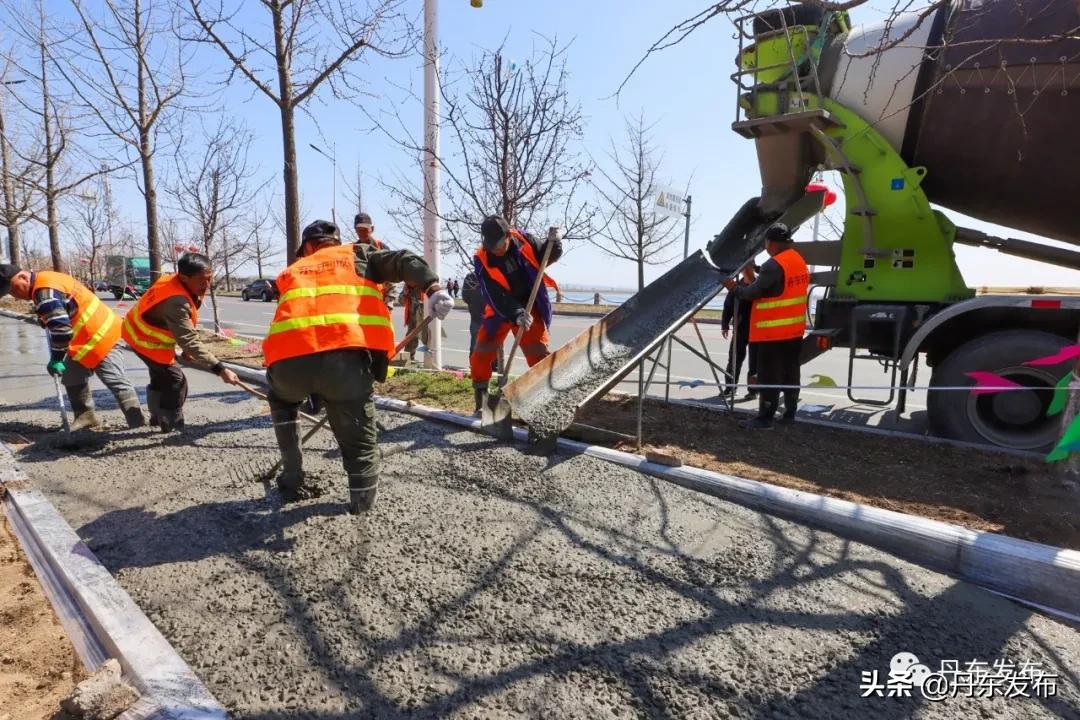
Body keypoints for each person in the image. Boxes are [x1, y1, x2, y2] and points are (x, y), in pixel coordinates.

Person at [262, 220, 453, 514]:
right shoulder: (358, 254)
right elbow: (404, 260)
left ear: (308, 247)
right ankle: (361, 502)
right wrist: (433, 286)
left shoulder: (291, 271)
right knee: (359, 438)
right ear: (335, 243)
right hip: (344, 362)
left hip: (287, 363)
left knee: (282, 403)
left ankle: (291, 478)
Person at [0, 264, 145, 430]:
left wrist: (56, 359)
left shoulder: (44, 292)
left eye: (13, 289)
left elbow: (61, 330)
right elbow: (66, 308)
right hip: (85, 339)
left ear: (24, 277)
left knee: (114, 379)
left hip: (103, 335)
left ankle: (137, 422)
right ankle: (85, 417)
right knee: (72, 376)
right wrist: (47, 317)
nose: (15, 296)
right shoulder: (45, 279)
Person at [121, 253, 240, 432]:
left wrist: (187, 348)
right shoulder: (176, 300)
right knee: (175, 380)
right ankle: (171, 424)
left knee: (160, 377)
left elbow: (184, 327)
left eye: (209, 279)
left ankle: (157, 417)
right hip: (143, 339)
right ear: (184, 277)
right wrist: (220, 369)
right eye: (202, 280)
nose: (207, 285)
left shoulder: (181, 284)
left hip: (141, 331)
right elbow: (189, 338)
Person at [470, 215, 562, 414]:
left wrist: (554, 246)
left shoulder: (524, 240)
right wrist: (516, 313)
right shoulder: (481, 258)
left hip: (530, 304)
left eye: (498, 244)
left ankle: (545, 403)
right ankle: (483, 403)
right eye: (490, 244)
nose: (494, 249)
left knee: (538, 353)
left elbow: (544, 256)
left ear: (508, 235)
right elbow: (493, 293)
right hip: (500, 308)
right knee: (481, 354)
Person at [722, 223, 809, 429]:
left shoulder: (774, 264)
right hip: (794, 331)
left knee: (769, 376)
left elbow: (750, 293)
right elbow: (776, 284)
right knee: (790, 372)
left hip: (772, 332)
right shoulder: (798, 261)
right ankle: (789, 414)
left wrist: (732, 287)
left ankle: (765, 418)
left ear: (770, 243)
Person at [721, 264, 759, 403]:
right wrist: (725, 325)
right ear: (742, 269)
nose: (747, 270)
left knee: (754, 363)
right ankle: (730, 387)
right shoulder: (735, 286)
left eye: (749, 267)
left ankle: (753, 391)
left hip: (757, 329)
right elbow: (728, 307)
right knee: (734, 359)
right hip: (740, 329)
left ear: (752, 268)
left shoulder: (759, 285)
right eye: (744, 267)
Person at [398, 283, 430, 362]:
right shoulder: (408, 287)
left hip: (425, 315)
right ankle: (409, 359)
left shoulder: (426, 285)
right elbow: (401, 301)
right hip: (412, 316)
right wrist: (405, 294)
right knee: (411, 339)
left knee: (428, 338)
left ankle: (431, 361)